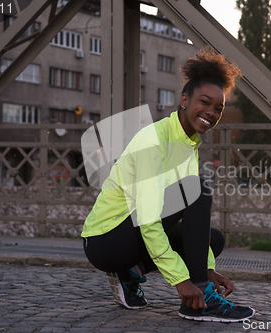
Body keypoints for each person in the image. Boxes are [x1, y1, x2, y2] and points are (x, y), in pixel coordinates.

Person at [81, 47, 254, 322]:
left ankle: (132, 271)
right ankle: (197, 299)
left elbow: (169, 213)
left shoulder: (187, 145)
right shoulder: (155, 139)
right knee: (198, 189)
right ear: (184, 100)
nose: (211, 112)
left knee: (213, 240)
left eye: (218, 109)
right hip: (105, 240)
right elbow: (150, 219)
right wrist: (182, 281)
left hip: (130, 235)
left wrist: (209, 268)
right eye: (205, 102)